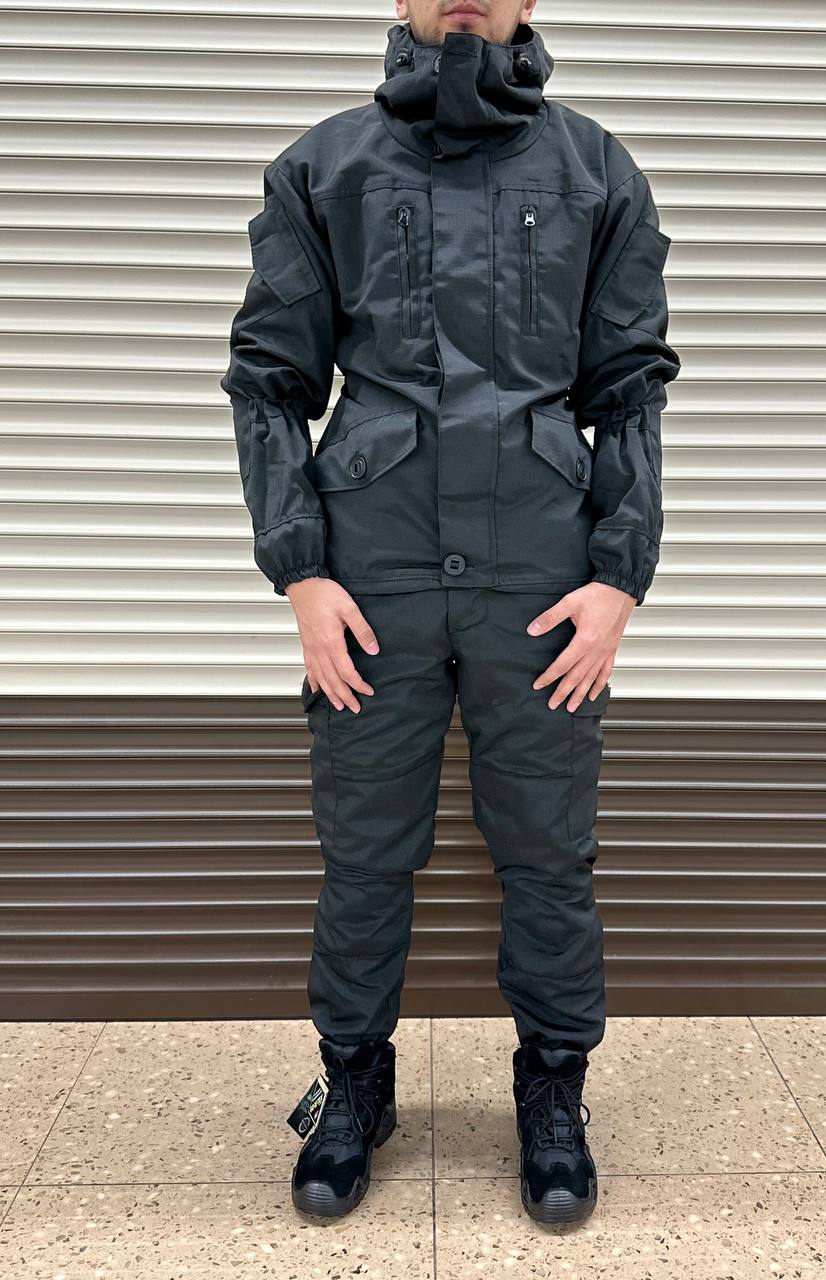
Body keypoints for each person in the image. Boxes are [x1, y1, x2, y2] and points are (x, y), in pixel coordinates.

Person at [221, 0, 680, 1226]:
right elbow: (267, 379)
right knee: (364, 850)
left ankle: (554, 1090)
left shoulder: (596, 171)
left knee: (548, 850)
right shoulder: (324, 168)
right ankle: (354, 1084)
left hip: (543, 578)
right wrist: (301, 572)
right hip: (371, 580)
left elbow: (631, 384)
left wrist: (619, 575)